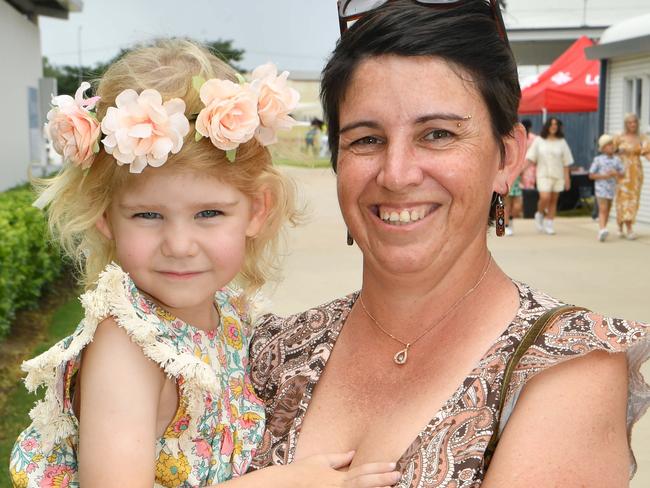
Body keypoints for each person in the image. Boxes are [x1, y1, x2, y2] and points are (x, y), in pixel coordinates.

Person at [248, 1, 649, 486]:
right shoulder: (274, 348)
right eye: (366, 140)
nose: (396, 175)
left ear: (507, 157)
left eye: (437, 134)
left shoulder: (566, 367)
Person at [9, 40, 399, 488]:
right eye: (148, 215)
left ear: (256, 210)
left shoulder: (225, 316)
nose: (179, 244)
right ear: (105, 218)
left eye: (208, 213)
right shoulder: (128, 347)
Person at [526, 117, 574, 235]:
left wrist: (567, 178)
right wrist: (520, 169)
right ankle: (539, 213)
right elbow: (530, 158)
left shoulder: (561, 142)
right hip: (543, 174)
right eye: (551, 124)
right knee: (545, 197)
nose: (554, 126)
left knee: (553, 200)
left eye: (556, 124)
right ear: (547, 126)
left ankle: (549, 224)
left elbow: (566, 161)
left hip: (558, 175)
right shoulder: (539, 141)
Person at [614, 113, 650, 240]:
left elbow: (647, 153)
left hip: (635, 172)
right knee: (622, 199)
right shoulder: (619, 137)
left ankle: (629, 227)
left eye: (634, 122)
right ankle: (620, 225)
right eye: (629, 122)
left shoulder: (642, 137)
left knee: (633, 199)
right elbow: (609, 151)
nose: (632, 125)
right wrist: (618, 152)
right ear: (626, 124)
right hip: (621, 171)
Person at [589, 134, 625, 242]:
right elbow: (591, 175)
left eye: (612, 144)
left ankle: (603, 230)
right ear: (603, 148)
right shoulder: (598, 160)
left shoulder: (617, 160)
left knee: (608, 209)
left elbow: (623, 174)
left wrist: (616, 173)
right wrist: (603, 176)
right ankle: (602, 229)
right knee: (603, 209)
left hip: (611, 188)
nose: (611, 146)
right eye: (608, 145)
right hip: (601, 188)